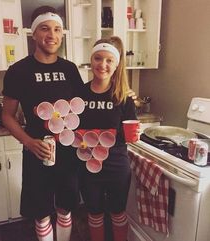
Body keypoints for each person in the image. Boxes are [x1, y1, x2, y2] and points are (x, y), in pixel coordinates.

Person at [2, 6, 83, 241]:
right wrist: (29, 142)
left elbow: (82, 106)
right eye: (45, 28)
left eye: (57, 29)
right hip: (38, 150)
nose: (52, 35)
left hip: (67, 151)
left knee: (66, 208)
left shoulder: (69, 69)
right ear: (33, 34)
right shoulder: (19, 71)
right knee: (41, 213)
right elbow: (7, 115)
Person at [78, 36, 137, 241]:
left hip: (116, 164)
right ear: (91, 60)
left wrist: (134, 135)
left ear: (116, 64)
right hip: (87, 164)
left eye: (109, 60)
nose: (102, 65)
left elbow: (130, 132)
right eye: (98, 58)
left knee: (118, 212)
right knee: (94, 212)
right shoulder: (80, 94)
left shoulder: (123, 96)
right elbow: (70, 126)